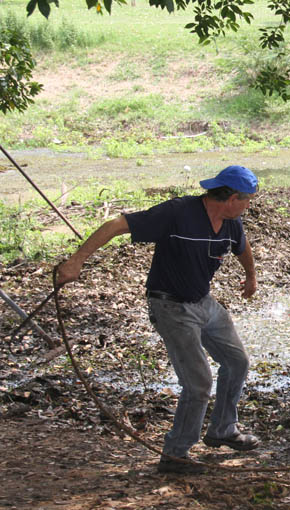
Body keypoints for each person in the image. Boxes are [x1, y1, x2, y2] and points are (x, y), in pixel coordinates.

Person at [57, 165, 261, 474]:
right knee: (199, 382)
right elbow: (116, 225)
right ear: (232, 197)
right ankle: (175, 455)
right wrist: (75, 262)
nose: (249, 206)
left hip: (202, 302)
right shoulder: (178, 212)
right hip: (170, 306)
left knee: (237, 362)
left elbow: (242, 249)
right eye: (248, 200)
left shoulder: (232, 223)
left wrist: (251, 276)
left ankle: (222, 428)